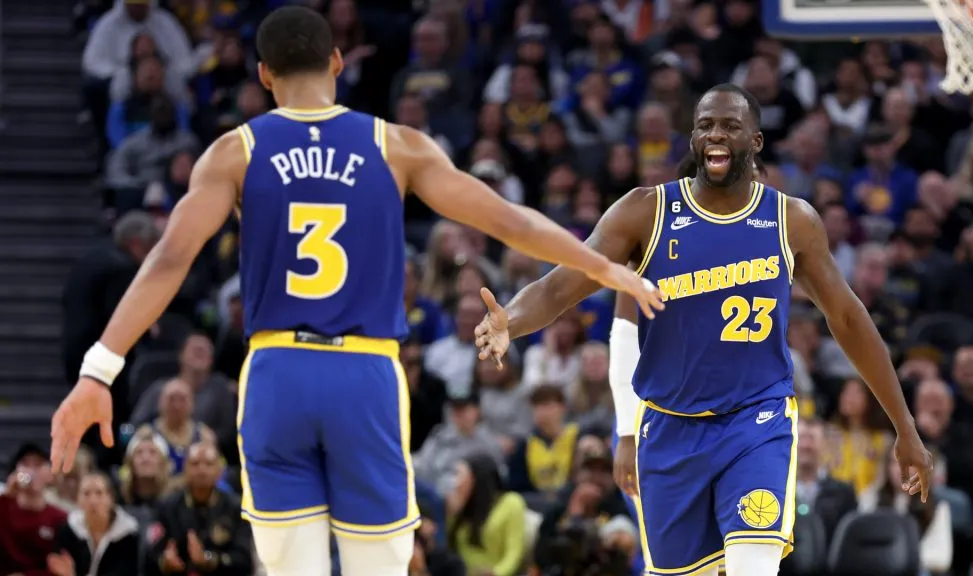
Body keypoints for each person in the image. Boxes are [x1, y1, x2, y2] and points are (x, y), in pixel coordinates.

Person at [49, 6, 662, 576]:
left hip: (275, 371)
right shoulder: (394, 145)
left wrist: (97, 371)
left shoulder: (234, 152)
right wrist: (600, 266)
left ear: (263, 75)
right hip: (362, 373)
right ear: (338, 63)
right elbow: (508, 220)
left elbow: (169, 259)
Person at [474, 84, 934, 576]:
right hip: (669, 427)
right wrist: (510, 321)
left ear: (755, 141)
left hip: (756, 421)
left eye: (730, 126)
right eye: (705, 125)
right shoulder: (645, 212)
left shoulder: (791, 220)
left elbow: (848, 319)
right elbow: (559, 287)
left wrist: (905, 427)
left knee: (753, 566)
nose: (716, 134)